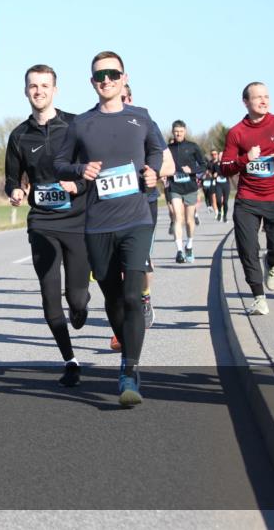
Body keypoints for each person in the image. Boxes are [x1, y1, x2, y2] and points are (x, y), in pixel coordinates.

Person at [55, 51, 164, 406]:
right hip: (97, 224)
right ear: (92, 82)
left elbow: (158, 152)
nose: (106, 80)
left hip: (136, 219)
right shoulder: (81, 124)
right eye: (99, 75)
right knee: (113, 298)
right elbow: (59, 163)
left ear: (123, 77)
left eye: (112, 74)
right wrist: (79, 171)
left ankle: (129, 371)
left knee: (132, 296)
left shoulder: (141, 117)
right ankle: (127, 347)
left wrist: (152, 171)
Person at [5, 65, 90, 386]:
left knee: (78, 299)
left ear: (55, 89)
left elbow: (91, 171)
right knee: (49, 296)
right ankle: (70, 360)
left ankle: (80, 308)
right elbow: (12, 177)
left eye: (44, 85)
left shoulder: (75, 126)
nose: (38, 91)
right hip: (41, 221)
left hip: (77, 220)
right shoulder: (19, 135)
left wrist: (77, 187)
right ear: (26, 91)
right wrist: (14, 190)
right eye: (33, 86)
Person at [220, 82, 274, 316]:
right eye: (257, 97)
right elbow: (225, 167)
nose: (264, 101)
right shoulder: (237, 132)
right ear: (245, 102)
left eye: (266, 96)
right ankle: (258, 297)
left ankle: (273, 262)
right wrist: (245, 158)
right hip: (247, 199)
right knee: (247, 249)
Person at [111, 84, 174, 352]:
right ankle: (120, 326)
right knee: (115, 270)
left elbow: (168, 164)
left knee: (138, 265)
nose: (119, 103)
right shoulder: (96, 124)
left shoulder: (146, 122)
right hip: (109, 209)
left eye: (123, 98)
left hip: (142, 205)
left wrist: (154, 172)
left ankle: (143, 300)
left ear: (130, 98)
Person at [167, 121, 207, 263]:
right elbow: (162, 164)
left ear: (185, 131)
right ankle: (179, 251)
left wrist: (192, 171)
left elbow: (203, 165)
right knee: (178, 218)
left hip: (190, 188)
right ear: (173, 131)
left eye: (181, 131)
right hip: (175, 187)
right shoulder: (168, 149)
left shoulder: (192, 147)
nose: (178, 133)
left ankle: (189, 245)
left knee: (189, 221)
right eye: (176, 131)